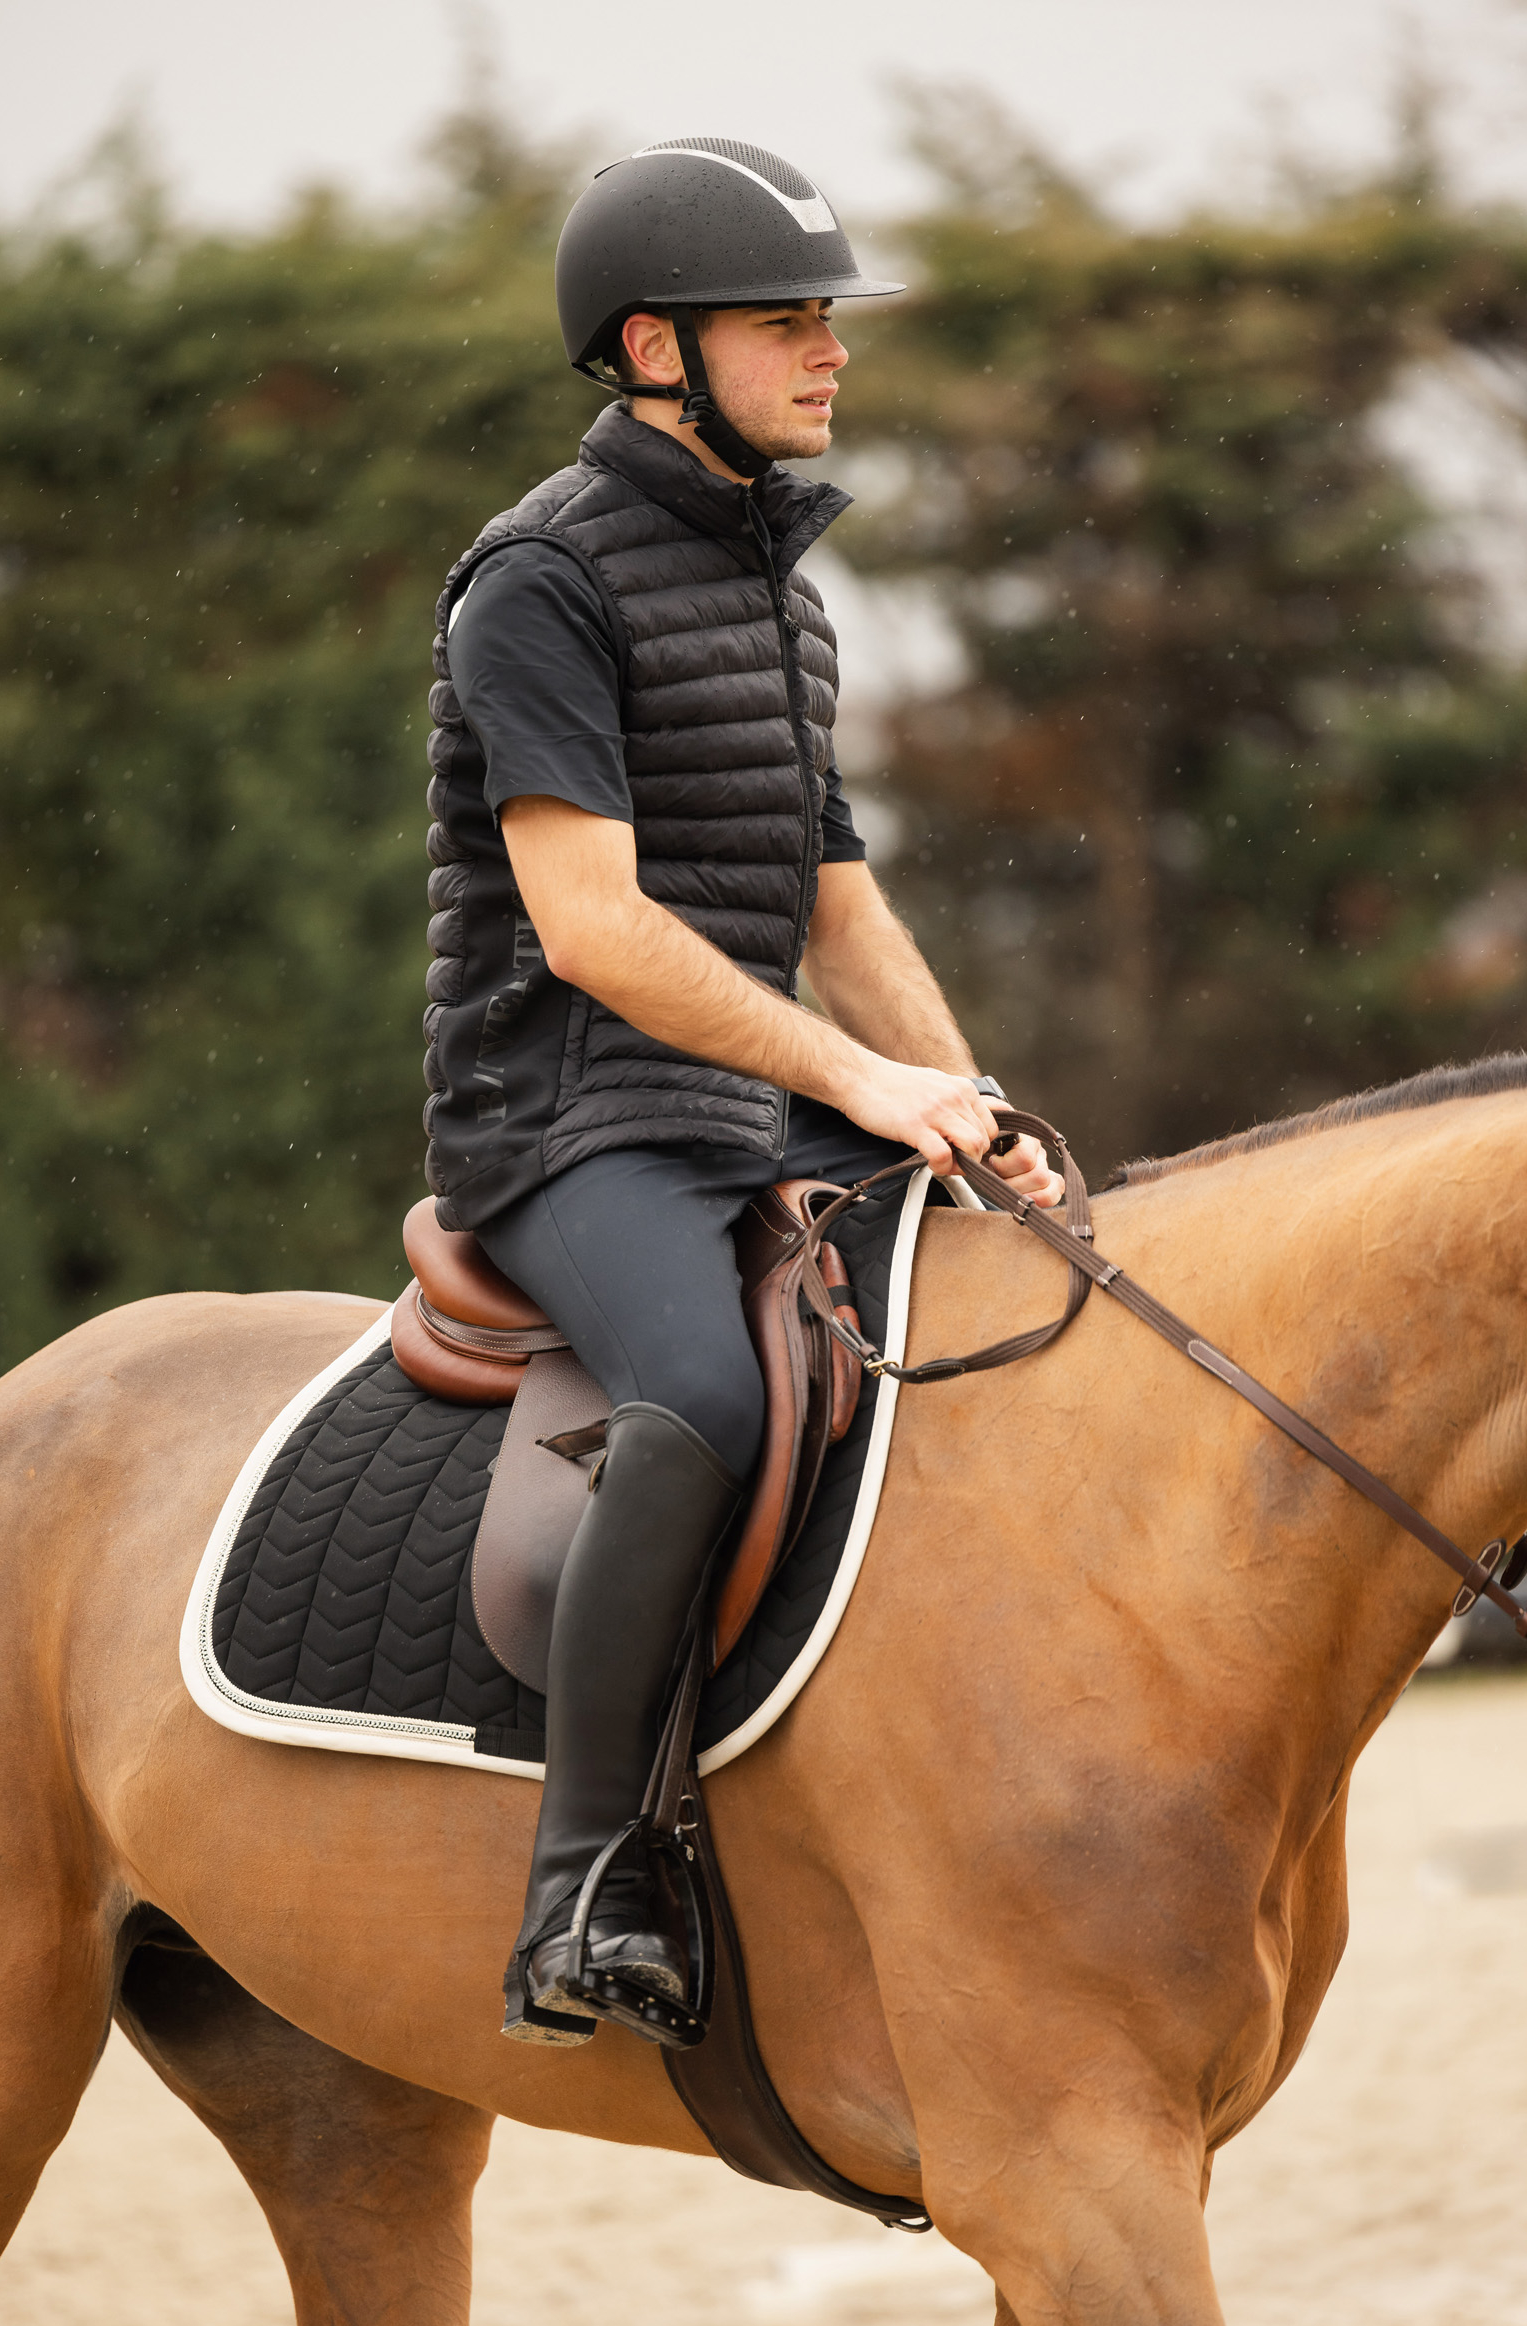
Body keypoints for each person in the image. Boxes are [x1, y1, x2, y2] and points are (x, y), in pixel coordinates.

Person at [420, 137, 1062, 2045]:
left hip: (734, 1102)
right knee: (698, 1385)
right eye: (788, 317)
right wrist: (861, 1075)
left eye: (827, 320)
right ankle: (584, 1879)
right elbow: (595, 931)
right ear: (652, 346)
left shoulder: (783, 599)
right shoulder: (535, 581)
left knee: (1031, 1272)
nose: (829, 350)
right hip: (561, 1114)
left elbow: (841, 913)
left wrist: (965, 1100)